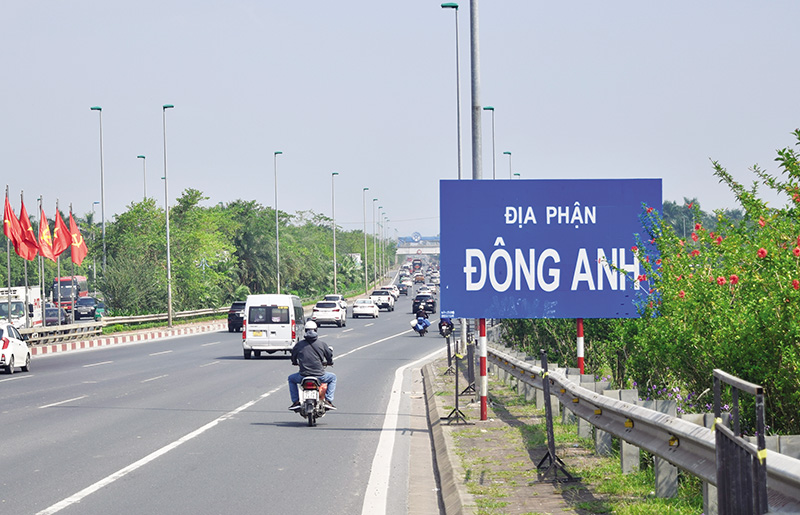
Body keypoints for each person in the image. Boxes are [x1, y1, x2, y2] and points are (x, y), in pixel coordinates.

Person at [288, 320, 337, 411]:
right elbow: (329, 356)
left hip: (303, 375)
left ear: (305, 330)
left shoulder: (299, 345)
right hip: (320, 375)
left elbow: (293, 356)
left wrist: (295, 362)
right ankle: (328, 400)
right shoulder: (322, 344)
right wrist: (330, 362)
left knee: (291, 378)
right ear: (316, 330)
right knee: (333, 378)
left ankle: (295, 402)